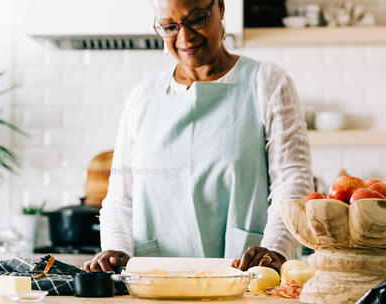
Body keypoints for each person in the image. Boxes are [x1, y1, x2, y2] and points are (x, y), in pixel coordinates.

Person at [83, 0, 313, 274]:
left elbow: (292, 180)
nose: (185, 37)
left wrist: (275, 250)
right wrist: (115, 250)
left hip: (245, 276)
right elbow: (121, 198)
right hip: (155, 282)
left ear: (221, 9)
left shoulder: (267, 83)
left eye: (196, 20)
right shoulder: (143, 98)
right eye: (170, 27)